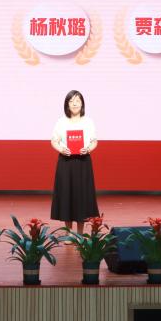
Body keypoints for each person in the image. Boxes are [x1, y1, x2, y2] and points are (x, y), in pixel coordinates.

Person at [50, 90, 99, 232]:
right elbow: (54, 141)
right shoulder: (61, 121)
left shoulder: (88, 121)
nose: (75, 104)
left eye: (77, 100)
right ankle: (69, 233)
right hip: (66, 162)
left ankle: (80, 234)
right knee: (67, 195)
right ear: (67, 104)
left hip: (83, 162)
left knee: (81, 196)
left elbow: (94, 141)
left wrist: (88, 149)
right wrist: (61, 149)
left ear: (82, 103)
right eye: (71, 101)